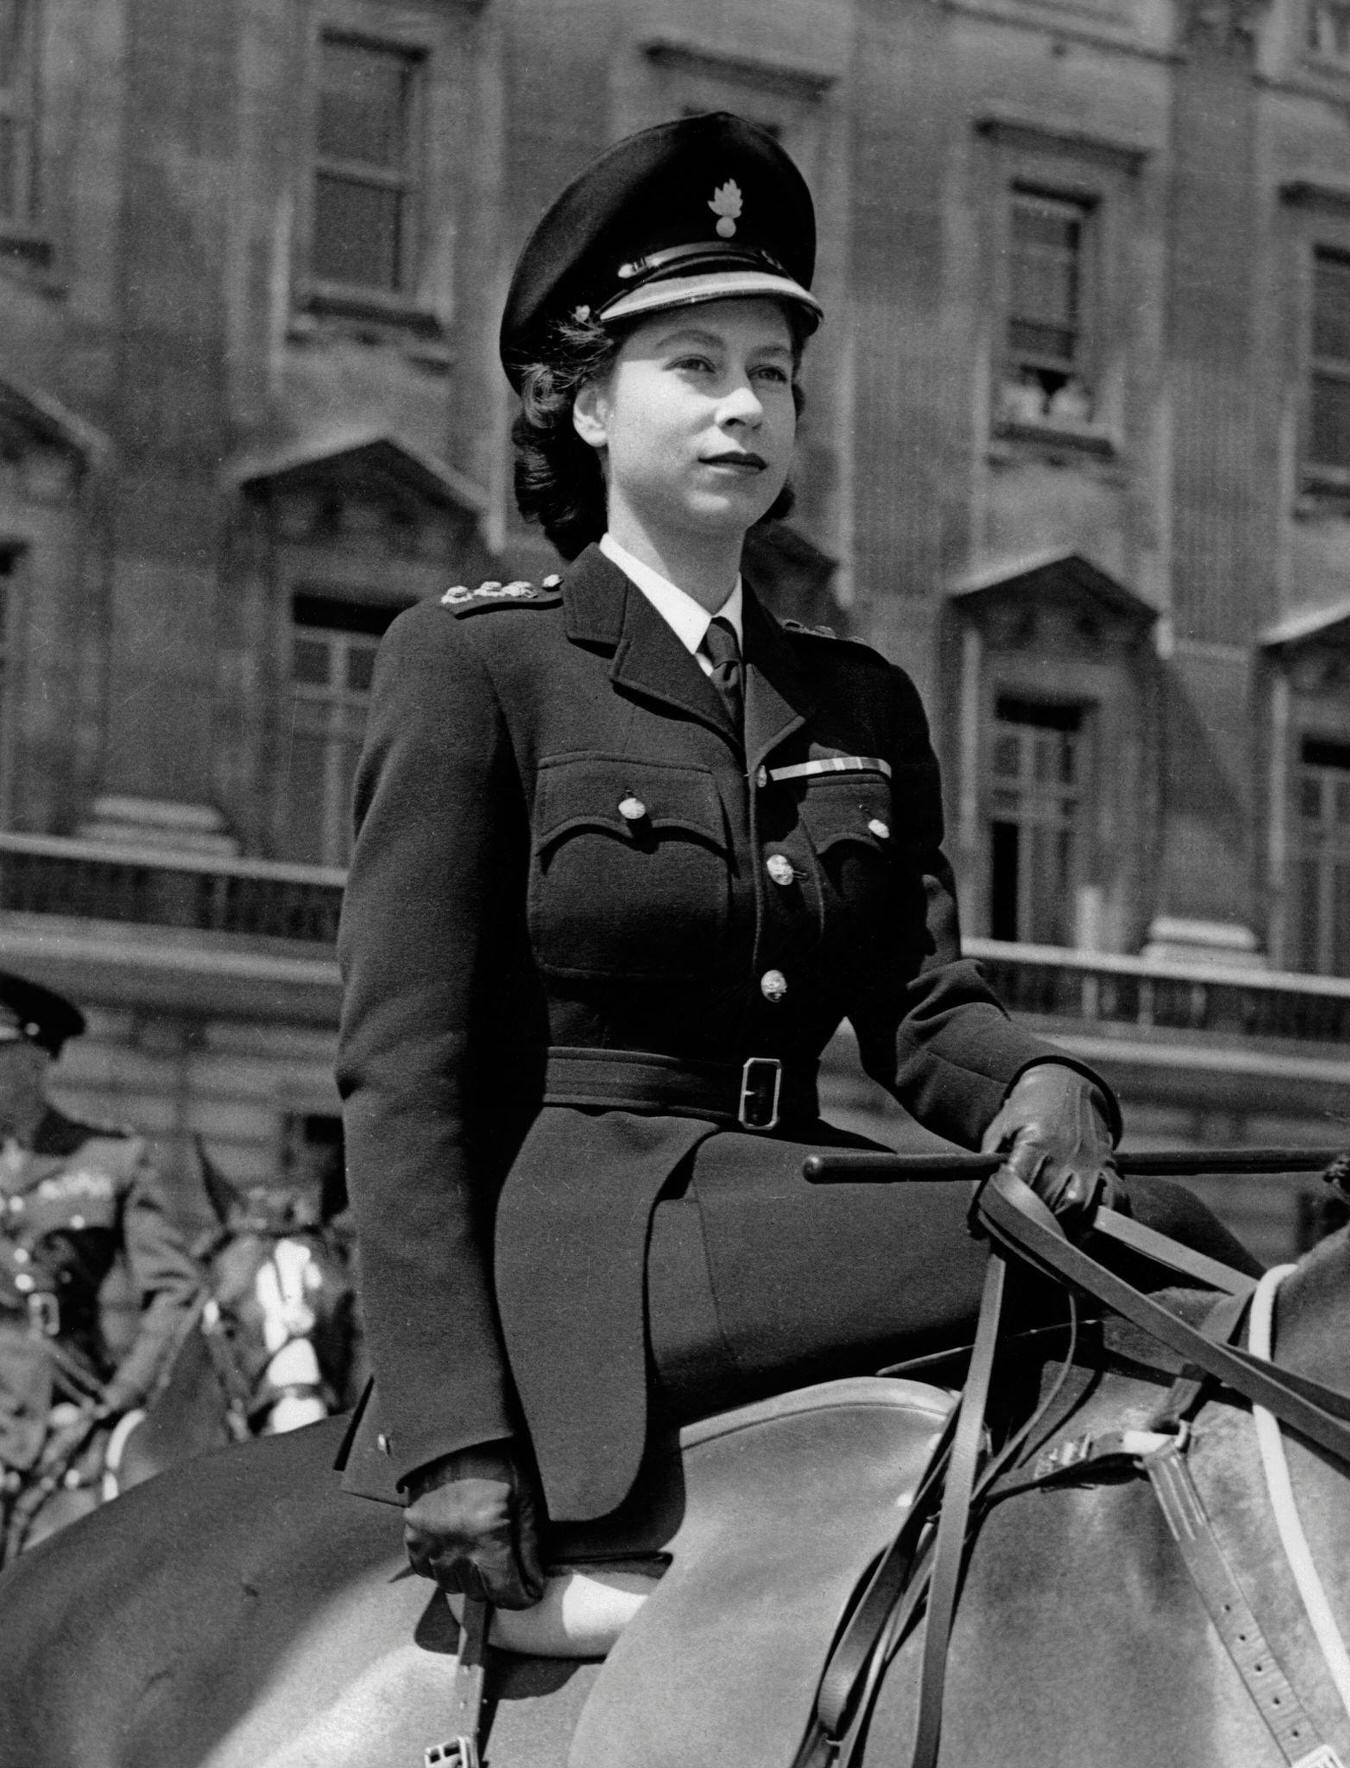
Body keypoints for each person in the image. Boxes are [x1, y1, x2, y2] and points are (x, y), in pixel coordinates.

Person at [334, 112, 1259, 1612]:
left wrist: (1037, 1081)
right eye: (694, 367)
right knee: (1174, 1256)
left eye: (773, 376)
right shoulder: (474, 665)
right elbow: (401, 1070)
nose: (743, 407)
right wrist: (450, 1431)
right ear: (583, 408)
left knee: (1147, 1248)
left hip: (790, 1204)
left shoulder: (858, 699)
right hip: (597, 1248)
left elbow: (916, 1003)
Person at [0, 972, 201, 1484]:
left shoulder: (111, 1159)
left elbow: (177, 1290)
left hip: (66, 1404)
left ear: (39, 1058)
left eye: (0, 1053)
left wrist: (123, 1396)